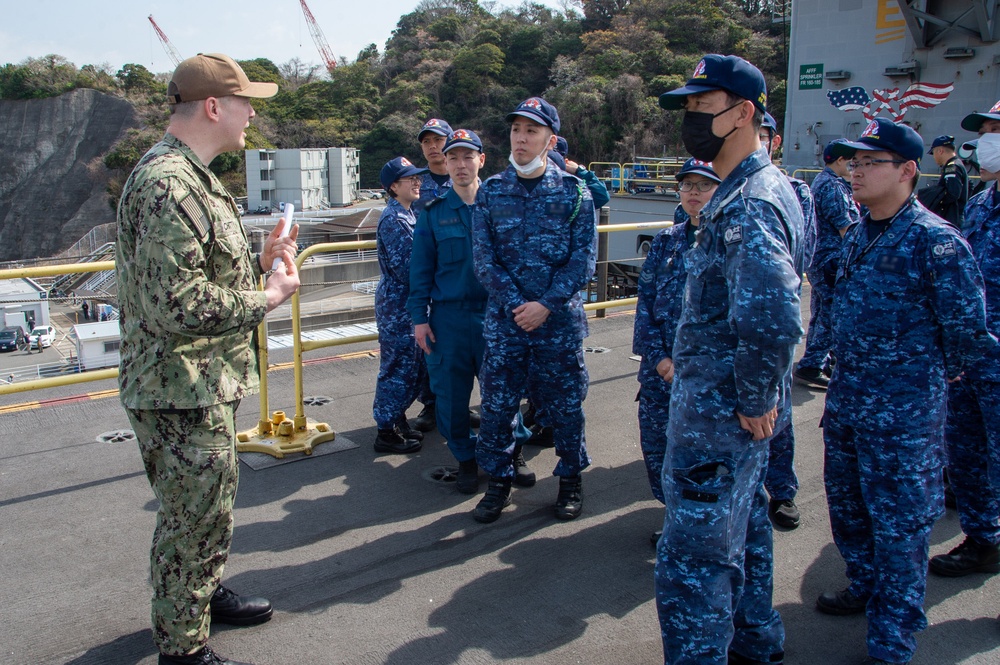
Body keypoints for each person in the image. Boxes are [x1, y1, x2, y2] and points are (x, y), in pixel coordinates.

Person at [115, 53, 301, 665]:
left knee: (209, 505)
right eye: (246, 101)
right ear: (215, 106)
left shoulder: (191, 175)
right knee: (190, 518)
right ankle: (183, 647)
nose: (252, 113)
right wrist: (268, 295)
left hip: (198, 381)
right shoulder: (169, 182)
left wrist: (258, 260)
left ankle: (200, 593)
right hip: (177, 388)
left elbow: (198, 273)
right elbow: (180, 304)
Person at [816, 118, 995, 665]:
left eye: (871, 162)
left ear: (908, 170)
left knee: (900, 526)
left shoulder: (935, 242)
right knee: (848, 509)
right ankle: (864, 586)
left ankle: (893, 635)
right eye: (853, 161)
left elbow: (968, 335)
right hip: (848, 401)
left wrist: (920, 383)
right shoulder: (859, 233)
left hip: (902, 415)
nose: (855, 171)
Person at [655, 54, 804, 665]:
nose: (690, 118)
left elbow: (772, 319)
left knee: (692, 564)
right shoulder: (758, 190)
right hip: (730, 411)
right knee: (745, 533)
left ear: (743, 112)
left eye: (702, 105)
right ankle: (757, 644)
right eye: (686, 107)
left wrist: (754, 399)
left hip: (720, 417)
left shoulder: (748, 203)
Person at [472, 97, 596, 523]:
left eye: (531, 131)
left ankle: (570, 482)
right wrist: (517, 306)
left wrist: (545, 305)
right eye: (516, 130)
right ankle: (499, 484)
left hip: (558, 324)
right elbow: (484, 261)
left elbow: (584, 261)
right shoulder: (491, 191)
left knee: (565, 408)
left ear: (550, 139)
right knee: (498, 407)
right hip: (506, 326)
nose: (521, 139)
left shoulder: (575, 193)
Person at [408, 129, 535, 494]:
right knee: (450, 395)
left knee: (505, 391)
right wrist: (419, 318)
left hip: (498, 315)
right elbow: (420, 271)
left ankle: (512, 453)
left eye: (468, 157)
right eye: (453, 158)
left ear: (481, 160)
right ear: (444, 164)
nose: (460, 165)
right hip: (448, 318)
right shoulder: (432, 215)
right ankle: (465, 458)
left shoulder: (502, 205)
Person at [927, 104, 1000, 580]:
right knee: (968, 453)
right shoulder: (979, 203)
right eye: (987, 131)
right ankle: (984, 539)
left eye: (996, 131)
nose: (987, 140)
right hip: (971, 361)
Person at [632, 158, 719, 544]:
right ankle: (674, 518)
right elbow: (644, 305)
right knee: (657, 448)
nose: (694, 193)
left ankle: (700, 529)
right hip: (659, 374)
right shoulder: (666, 241)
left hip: (706, 379)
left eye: (704, 185)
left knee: (703, 457)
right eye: (688, 186)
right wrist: (660, 360)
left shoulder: (731, 243)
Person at [758, 111, 815, 530]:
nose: (757, 141)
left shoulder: (794, 191)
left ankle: (782, 492)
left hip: (773, 319)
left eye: (764, 135)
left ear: (774, 142)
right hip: (723, 331)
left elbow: (803, 255)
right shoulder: (715, 189)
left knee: (778, 410)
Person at [373, 156, 431, 454]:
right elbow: (408, 268)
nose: (418, 182)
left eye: (418, 178)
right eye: (411, 179)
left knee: (412, 366)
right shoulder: (395, 219)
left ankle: (397, 420)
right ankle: (385, 431)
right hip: (399, 307)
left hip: (407, 305)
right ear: (394, 186)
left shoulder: (408, 214)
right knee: (398, 367)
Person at [795, 139, 860, 389]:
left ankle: (820, 360)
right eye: (851, 162)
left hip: (825, 260)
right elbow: (846, 228)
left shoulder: (827, 183)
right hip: (831, 260)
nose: (854, 168)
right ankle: (813, 363)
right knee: (830, 315)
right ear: (840, 161)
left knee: (822, 313)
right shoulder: (832, 186)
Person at [919, 134, 969, 228]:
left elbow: (953, 193)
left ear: (940, 151)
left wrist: (935, 200)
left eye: (933, 153)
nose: (934, 157)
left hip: (951, 217)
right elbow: (970, 186)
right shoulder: (958, 164)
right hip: (956, 215)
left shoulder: (952, 167)